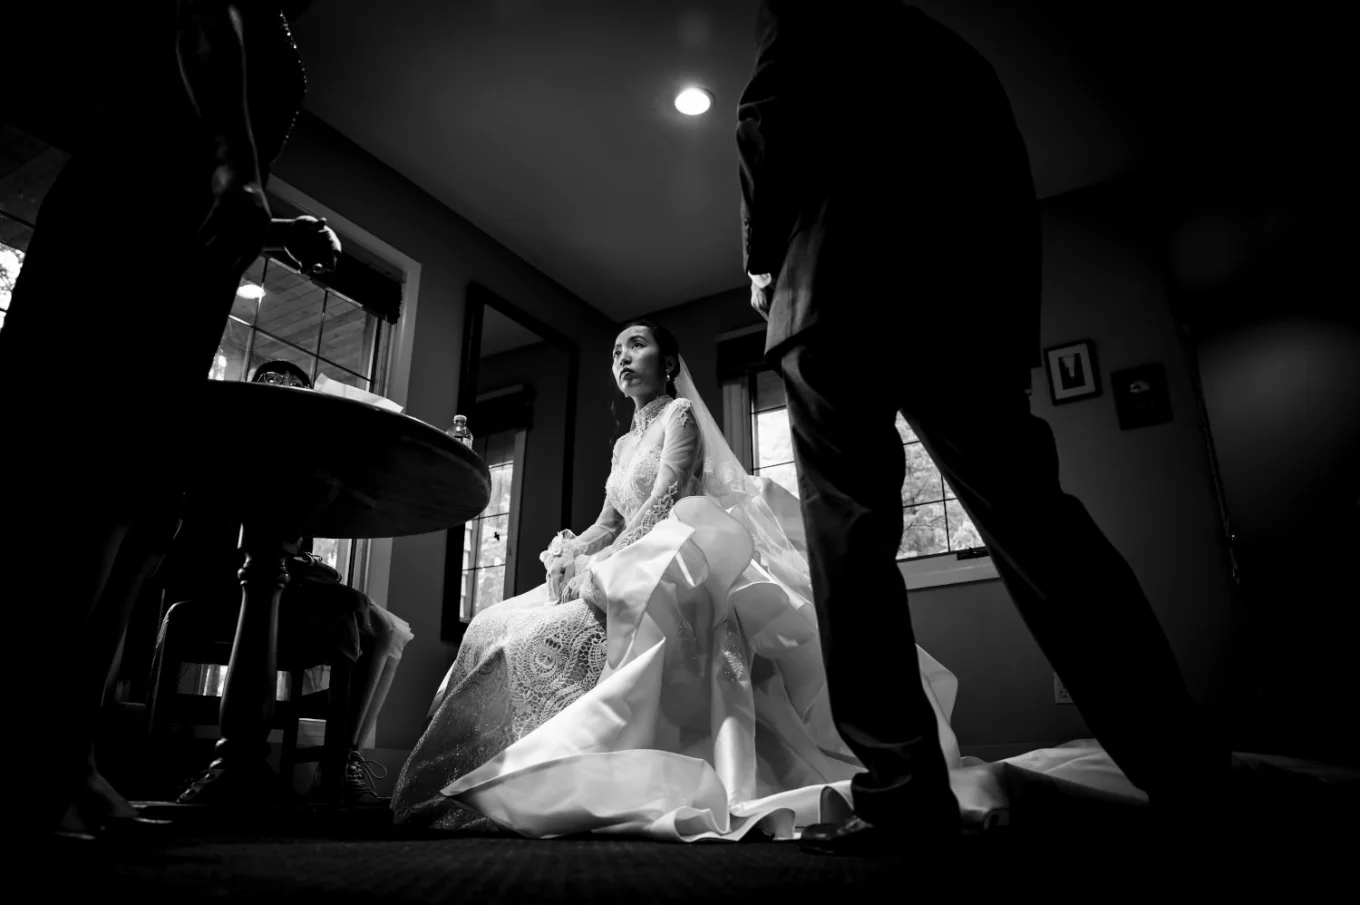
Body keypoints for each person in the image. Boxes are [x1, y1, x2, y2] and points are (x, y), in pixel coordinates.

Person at [735, 1, 1231, 855]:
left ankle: (904, 796)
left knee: (850, 545)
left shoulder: (811, 11)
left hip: (835, 296)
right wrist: (1008, 336)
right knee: (1040, 525)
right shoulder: (958, 58)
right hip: (968, 304)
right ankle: (1187, 769)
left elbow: (765, 120)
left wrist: (759, 256)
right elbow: (1009, 191)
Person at [391, 319, 977, 840]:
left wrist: (598, 567)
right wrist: (572, 548)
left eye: (637, 346)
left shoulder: (681, 414)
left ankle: (546, 774)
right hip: (622, 553)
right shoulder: (623, 443)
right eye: (616, 350)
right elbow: (610, 520)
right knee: (495, 620)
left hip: (669, 559)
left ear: (668, 364)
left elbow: (663, 503)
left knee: (546, 631)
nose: (622, 358)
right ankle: (461, 778)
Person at [0, 2, 338, 839]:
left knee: (141, 517)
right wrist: (234, 163)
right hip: (126, 229)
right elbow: (198, 18)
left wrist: (273, 221)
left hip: (188, 261)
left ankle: (66, 764)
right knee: (79, 494)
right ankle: (17, 766)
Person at [167, 361, 413, 808]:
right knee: (360, 611)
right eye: (273, 384)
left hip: (282, 581)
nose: (284, 389)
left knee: (393, 627)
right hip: (228, 583)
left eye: (296, 388)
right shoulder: (228, 450)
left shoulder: (304, 470)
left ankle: (342, 758)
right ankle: (334, 763)